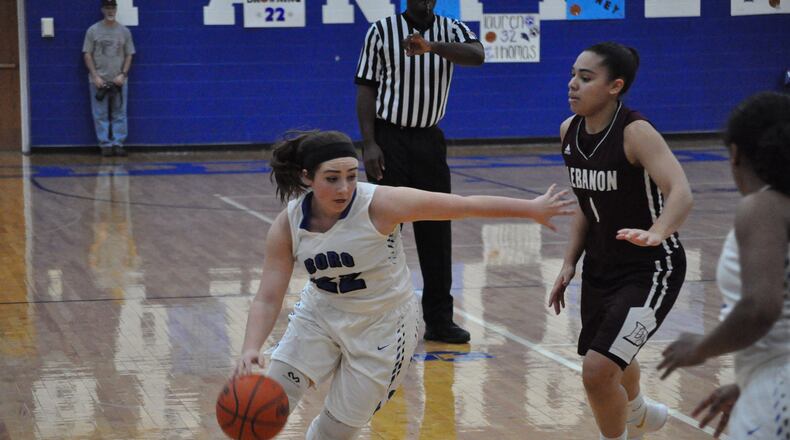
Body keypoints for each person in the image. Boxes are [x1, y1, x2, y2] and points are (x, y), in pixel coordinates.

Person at [234, 130, 573, 439]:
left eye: (351, 176)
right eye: (332, 178)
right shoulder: (288, 224)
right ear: (306, 177)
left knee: (331, 434)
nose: (344, 188)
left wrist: (530, 209)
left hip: (384, 327)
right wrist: (251, 347)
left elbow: (464, 206)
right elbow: (267, 297)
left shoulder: (381, 204)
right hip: (320, 315)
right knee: (266, 401)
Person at [548, 42, 694, 440]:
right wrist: (568, 262)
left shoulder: (636, 132)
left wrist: (658, 232)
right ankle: (639, 411)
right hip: (601, 265)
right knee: (610, 354)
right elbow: (585, 201)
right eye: (573, 74)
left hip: (650, 269)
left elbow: (680, 191)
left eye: (585, 77)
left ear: (615, 86)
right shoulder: (569, 131)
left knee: (596, 373)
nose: (573, 84)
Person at [657, 92, 790, 439]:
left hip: (778, 390)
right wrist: (747, 382)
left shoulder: (763, 207)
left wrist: (700, 348)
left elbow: (761, 308)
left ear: (735, 154)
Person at [354, 0, 485, 343]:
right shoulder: (381, 31)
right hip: (388, 138)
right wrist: (369, 143)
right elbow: (366, 87)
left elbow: (477, 55)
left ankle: (440, 321)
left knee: (437, 232)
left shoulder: (451, 29)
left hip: (429, 141)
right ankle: (378, 319)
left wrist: (433, 47)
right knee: (382, 233)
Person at [82, 0, 135, 157]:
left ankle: (118, 143)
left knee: (120, 112)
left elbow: (129, 54)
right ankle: (105, 144)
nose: (110, 11)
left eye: (113, 8)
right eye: (107, 8)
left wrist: (123, 74)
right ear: (102, 10)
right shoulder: (93, 30)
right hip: (98, 81)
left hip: (119, 80)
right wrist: (95, 76)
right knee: (100, 114)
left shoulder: (124, 31)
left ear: (116, 10)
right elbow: (87, 54)